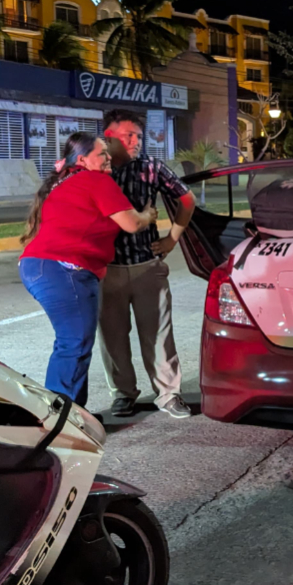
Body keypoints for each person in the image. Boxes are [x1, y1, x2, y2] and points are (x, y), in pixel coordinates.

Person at [19, 132, 157, 408]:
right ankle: (59, 420)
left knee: (72, 344)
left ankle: (73, 414)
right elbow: (130, 223)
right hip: (65, 270)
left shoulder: (63, 182)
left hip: (40, 267)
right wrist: (148, 215)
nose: (109, 158)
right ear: (83, 159)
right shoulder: (95, 179)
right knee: (74, 345)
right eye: (102, 153)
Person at [99, 110, 197, 420]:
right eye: (128, 135)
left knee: (157, 334)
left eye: (138, 136)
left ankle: (169, 394)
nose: (135, 141)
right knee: (112, 337)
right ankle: (123, 394)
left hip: (146, 265)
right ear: (109, 136)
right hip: (105, 269)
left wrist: (172, 239)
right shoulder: (95, 170)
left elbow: (186, 200)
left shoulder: (151, 168)